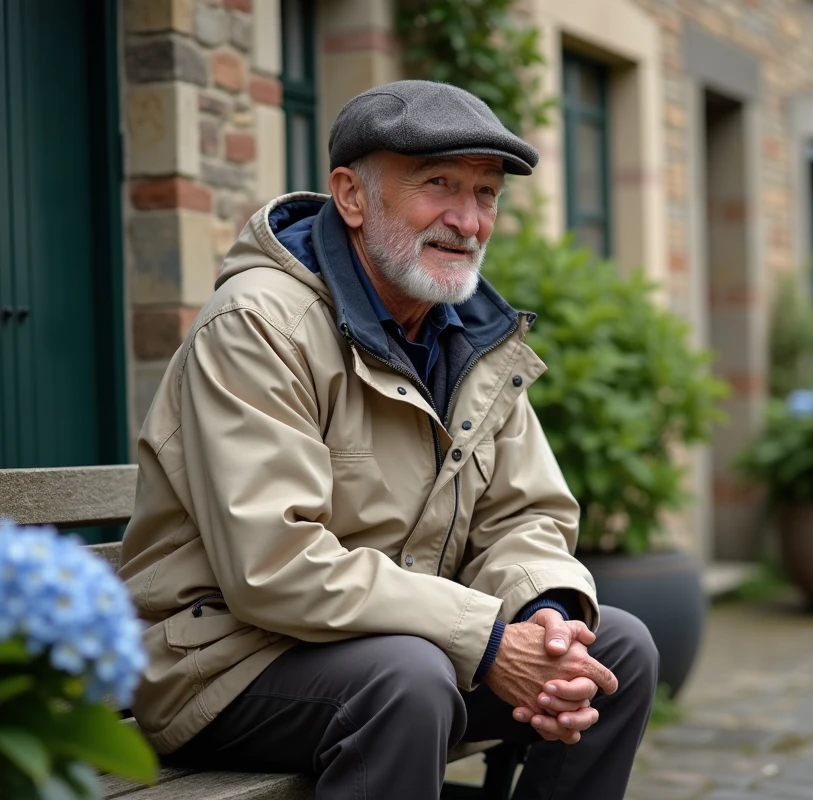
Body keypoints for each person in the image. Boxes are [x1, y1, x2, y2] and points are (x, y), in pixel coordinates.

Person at [118, 80, 658, 800]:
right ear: (350, 196)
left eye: (487, 194)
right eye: (439, 185)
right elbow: (274, 565)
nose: (468, 220)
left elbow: (526, 516)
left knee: (615, 652)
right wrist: (490, 642)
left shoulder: (469, 334)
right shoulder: (257, 325)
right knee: (408, 680)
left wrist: (544, 623)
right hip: (224, 662)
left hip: (406, 649)